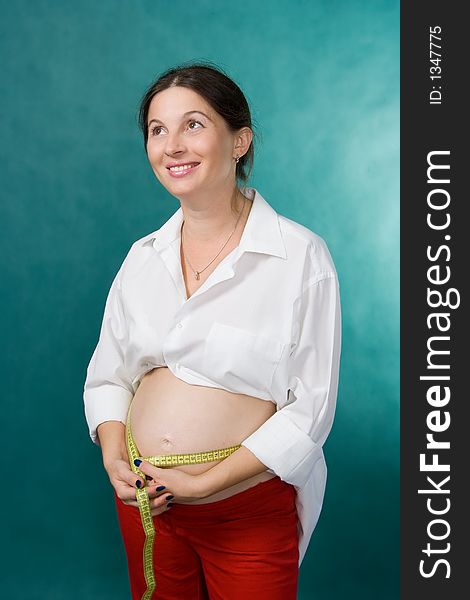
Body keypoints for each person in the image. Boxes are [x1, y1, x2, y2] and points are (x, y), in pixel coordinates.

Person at [83, 61, 342, 600]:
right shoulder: (141, 259)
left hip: (245, 513)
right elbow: (108, 377)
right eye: (158, 130)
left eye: (194, 125)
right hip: (147, 505)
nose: (172, 144)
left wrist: (203, 482)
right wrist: (114, 459)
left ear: (240, 140)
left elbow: (310, 409)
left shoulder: (300, 256)